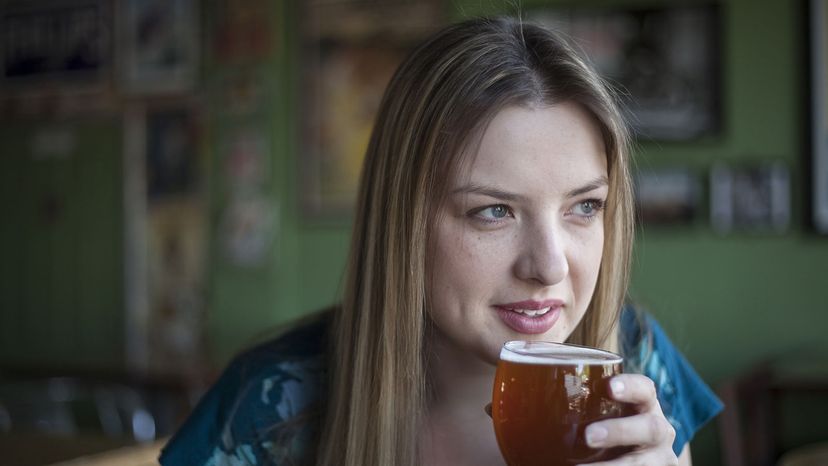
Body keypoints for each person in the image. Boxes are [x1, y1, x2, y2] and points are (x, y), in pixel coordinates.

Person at [159, 17, 722, 466]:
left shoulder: (637, 359)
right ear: (403, 224)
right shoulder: (267, 405)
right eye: (494, 211)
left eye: (584, 206)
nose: (549, 266)